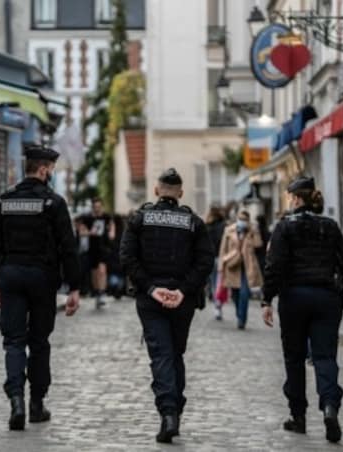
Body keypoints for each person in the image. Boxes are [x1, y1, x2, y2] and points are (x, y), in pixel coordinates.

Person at [0, 144, 81, 431]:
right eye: (50, 169)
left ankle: (16, 401)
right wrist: (74, 287)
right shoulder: (54, 203)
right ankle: (36, 404)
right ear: (43, 169)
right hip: (42, 278)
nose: (51, 173)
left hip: (10, 276)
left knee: (13, 341)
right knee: (39, 342)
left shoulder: (3, 201)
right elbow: (68, 247)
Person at [120, 168, 214, 444]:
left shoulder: (139, 219)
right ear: (181, 193)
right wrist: (183, 290)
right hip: (181, 299)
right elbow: (205, 261)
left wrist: (150, 287)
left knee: (161, 355)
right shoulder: (194, 222)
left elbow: (127, 257)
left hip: (151, 298)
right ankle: (175, 411)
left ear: (156, 190)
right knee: (175, 354)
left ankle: (168, 414)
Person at [262, 176, 343, 444]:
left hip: (294, 298)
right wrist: (341, 286)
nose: (289, 201)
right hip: (326, 298)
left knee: (294, 358)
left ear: (296, 198)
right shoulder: (330, 226)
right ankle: (329, 407)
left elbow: (275, 266)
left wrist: (267, 300)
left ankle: (298, 417)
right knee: (325, 356)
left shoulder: (284, 228)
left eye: (290, 196)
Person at [218, 210, 264, 329]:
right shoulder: (229, 230)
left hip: (247, 266)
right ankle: (239, 314)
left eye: (244, 219)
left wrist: (253, 231)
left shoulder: (251, 231)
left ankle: (242, 319)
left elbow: (258, 244)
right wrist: (221, 266)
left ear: (248, 220)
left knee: (244, 293)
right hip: (232, 265)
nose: (242, 221)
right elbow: (223, 249)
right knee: (235, 294)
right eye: (240, 218)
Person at [79, 198, 116, 308]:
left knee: (102, 270)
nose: (97, 209)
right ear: (93, 207)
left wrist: (111, 233)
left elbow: (112, 225)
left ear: (102, 207)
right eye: (95, 207)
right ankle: (97, 293)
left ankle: (101, 293)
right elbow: (81, 231)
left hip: (104, 247)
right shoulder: (87, 218)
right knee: (94, 272)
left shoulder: (106, 216)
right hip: (92, 249)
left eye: (99, 207)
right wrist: (91, 232)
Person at [205, 206, 227, 320]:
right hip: (220, 257)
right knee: (220, 283)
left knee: (213, 282)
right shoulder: (223, 226)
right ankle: (218, 305)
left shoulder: (206, 226)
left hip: (210, 258)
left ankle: (216, 306)